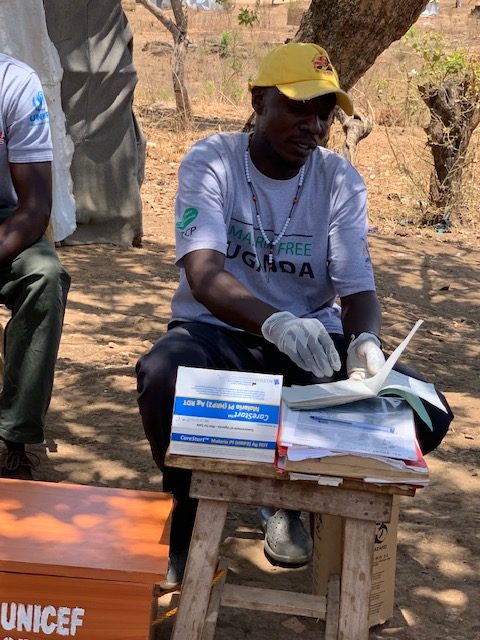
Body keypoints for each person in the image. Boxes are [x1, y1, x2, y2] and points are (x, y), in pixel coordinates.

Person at [137, 42, 453, 588]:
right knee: (163, 376)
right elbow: (204, 274)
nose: (313, 125)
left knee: (426, 412)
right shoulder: (211, 161)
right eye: (298, 108)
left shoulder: (339, 180)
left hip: (313, 347)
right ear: (258, 101)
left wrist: (363, 345)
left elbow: (358, 290)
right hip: (218, 335)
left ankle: (288, 499)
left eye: (324, 113)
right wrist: (275, 322)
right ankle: (185, 519)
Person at [0, 53, 70, 480]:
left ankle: (14, 437)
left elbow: (35, 207)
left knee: (45, 277)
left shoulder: (14, 83)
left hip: (6, 223)